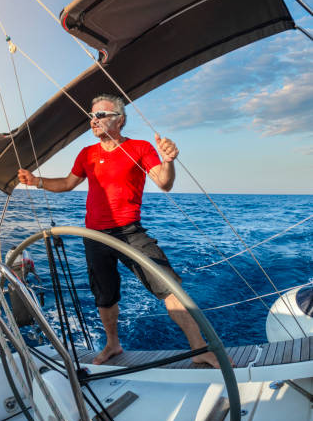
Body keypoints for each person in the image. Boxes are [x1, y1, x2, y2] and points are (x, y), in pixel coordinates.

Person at [18, 94, 220, 368]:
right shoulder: (86, 154)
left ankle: (199, 348)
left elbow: (163, 182)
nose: (94, 121)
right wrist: (36, 181)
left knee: (170, 287)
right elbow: (67, 183)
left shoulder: (139, 148)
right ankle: (113, 344)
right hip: (95, 235)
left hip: (130, 232)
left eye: (101, 115)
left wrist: (168, 160)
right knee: (105, 296)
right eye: (92, 116)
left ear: (120, 120)